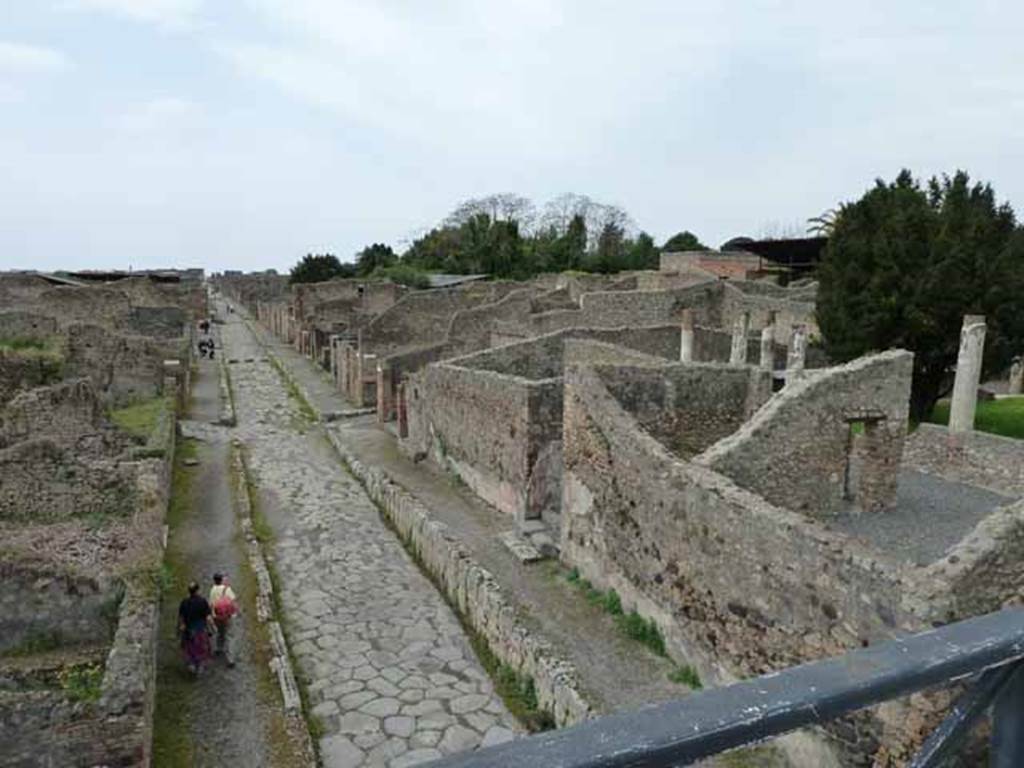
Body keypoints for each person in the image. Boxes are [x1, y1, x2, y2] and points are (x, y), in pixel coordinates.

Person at [178, 581, 211, 675]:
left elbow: (181, 617)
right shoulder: (202, 601)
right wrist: (213, 627)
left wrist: (181, 627)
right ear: (197, 590)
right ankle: (199, 665)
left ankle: (191, 664)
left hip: (188, 630)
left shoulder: (184, 602)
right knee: (201, 647)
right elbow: (208, 617)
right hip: (200, 629)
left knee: (190, 648)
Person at [209, 572, 238, 667]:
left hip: (217, 616)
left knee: (220, 632)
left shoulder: (212, 590)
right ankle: (230, 659)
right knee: (230, 636)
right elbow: (233, 601)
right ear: (221, 580)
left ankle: (219, 648)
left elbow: (211, 604)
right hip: (228, 616)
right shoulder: (227, 589)